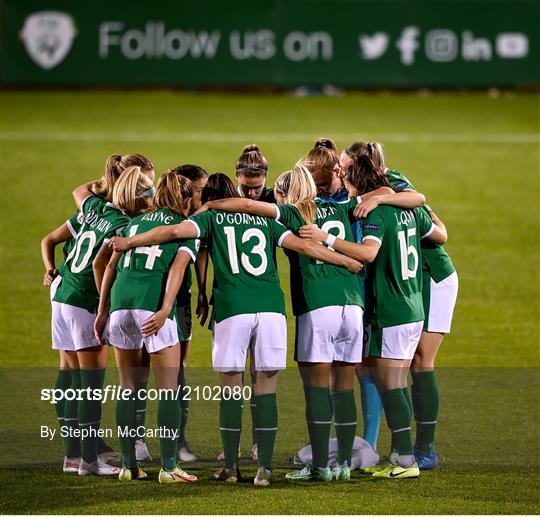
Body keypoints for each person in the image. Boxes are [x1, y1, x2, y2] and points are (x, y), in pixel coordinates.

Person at [109, 173, 362, 486]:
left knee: (230, 390)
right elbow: (303, 246)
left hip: (231, 311)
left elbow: (172, 231)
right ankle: (265, 470)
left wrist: (130, 241)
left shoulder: (210, 219)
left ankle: (230, 468)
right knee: (265, 390)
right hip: (271, 311)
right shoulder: (267, 220)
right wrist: (345, 261)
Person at [197, 164, 367, 482]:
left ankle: (298, 466)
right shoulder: (344, 207)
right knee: (342, 390)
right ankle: (333, 465)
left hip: (309, 307)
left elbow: (246, 209)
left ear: (283, 194)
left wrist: (211, 206)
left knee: (308, 390)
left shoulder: (283, 214)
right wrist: (347, 259)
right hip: (346, 305)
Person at [299, 153, 447, 479]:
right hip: (414, 306)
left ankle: (406, 458)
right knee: (393, 379)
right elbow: (439, 233)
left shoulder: (375, 214)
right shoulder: (409, 209)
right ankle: (401, 451)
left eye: (348, 180)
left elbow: (368, 253)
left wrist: (328, 239)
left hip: (391, 309)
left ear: (357, 182)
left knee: (390, 383)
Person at [341, 141, 458, 470]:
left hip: (430, 277)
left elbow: (439, 230)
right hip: (404, 280)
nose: (339, 170)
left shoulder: (389, 183)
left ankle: (423, 450)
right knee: (387, 366)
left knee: (420, 362)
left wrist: (380, 198)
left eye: (344, 166)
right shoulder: (361, 189)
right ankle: (397, 446)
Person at [95, 171, 199, 483]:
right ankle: (169, 467)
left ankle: (129, 466)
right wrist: (166, 308)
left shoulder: (132, 224)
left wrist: (102, 312)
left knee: (129, 387)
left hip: (119, 306)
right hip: (151, 307)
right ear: (183, 198)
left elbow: (110, 265)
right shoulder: (184, 230)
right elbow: (176, 271)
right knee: (167, 389)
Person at [52, 165, 154, 476]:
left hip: (62, 297)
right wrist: (104, 307)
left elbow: (80, 192)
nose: (152, 198)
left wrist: (106, 177)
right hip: (84, 303)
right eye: (147, 192)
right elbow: (101, 266)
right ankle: (88, 461)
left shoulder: (95, 207)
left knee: (70, 378)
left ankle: (72, 456)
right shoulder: (123, 225)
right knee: (91, 386)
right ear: (134, 198)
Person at [166, 164, 209, 462]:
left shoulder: (197, 220)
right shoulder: (177, 222)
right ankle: (142, 440)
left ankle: (177, 440)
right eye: (200, 191)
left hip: (180, 302)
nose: (204, 197)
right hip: (159, 302)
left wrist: (204, 291)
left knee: (178, 369)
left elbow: (202, 254)